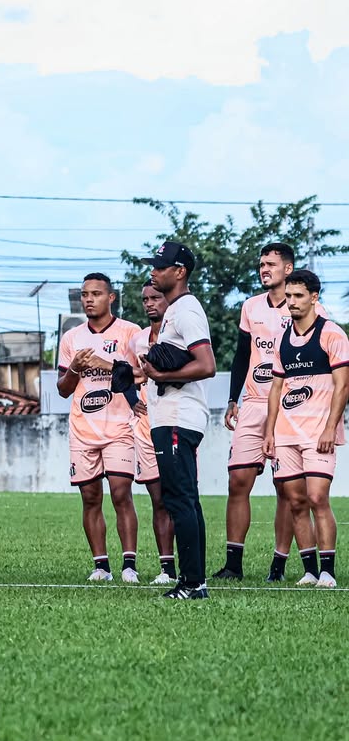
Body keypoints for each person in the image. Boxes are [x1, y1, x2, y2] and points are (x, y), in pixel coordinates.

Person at [217, 243, 322, 582]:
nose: (264, 269)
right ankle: (233, 564)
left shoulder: (308, 310)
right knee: (238, 480)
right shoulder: (250, 307)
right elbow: (241, 355)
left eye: (271, 264)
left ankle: (278, 565)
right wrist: (233, 398)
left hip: (291, 407)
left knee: (287, 489)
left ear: (288, 269)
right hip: (254, 403)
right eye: (261, 264)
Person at [263, 270, 349, 588]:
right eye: (289, 296)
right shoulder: (282, 339)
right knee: (296, 501)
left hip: (318, 433)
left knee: (317, 497)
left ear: (314, 297)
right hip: (286, 434)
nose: (292, 302)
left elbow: (343, 386)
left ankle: (328, 571)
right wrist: (269, 432)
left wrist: (330, 427)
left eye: (299, 296)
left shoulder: (332, 334)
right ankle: (310, 571)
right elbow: (276, 389)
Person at [140, 241, 216, 599]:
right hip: (171, 416)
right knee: (187, 498)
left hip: (177, 417)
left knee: (179, 499)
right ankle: (195, 580)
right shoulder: (175, 310)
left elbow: (206, 365)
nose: (154, 271)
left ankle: (192, 583)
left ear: (179, 272)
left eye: (160, 266)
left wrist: (161, 375)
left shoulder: (186, 310)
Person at [56, 273, 142, 582]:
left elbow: (142, 373)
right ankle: (101, 566)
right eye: (84, 295)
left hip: (120, 426)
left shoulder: (130, 333)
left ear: (111, 297)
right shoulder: (71, 338)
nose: (89, 299)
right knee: (90, 498)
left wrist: (111, 366)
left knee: (121, 493)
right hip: (83, 429)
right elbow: (63, 389)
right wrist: (76, 369)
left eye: (95, 293)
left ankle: (129, 565)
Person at [128, 281, 177, 585]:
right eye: (145, 299)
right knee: (157, 498)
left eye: (155, 298)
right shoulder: (137, 341)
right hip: (146, 428)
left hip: (175, 422)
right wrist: (134, 401)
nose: (149, 303)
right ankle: (166, 569)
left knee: (179, 497)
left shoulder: (180, 333)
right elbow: (128, 375)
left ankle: (189, 564)